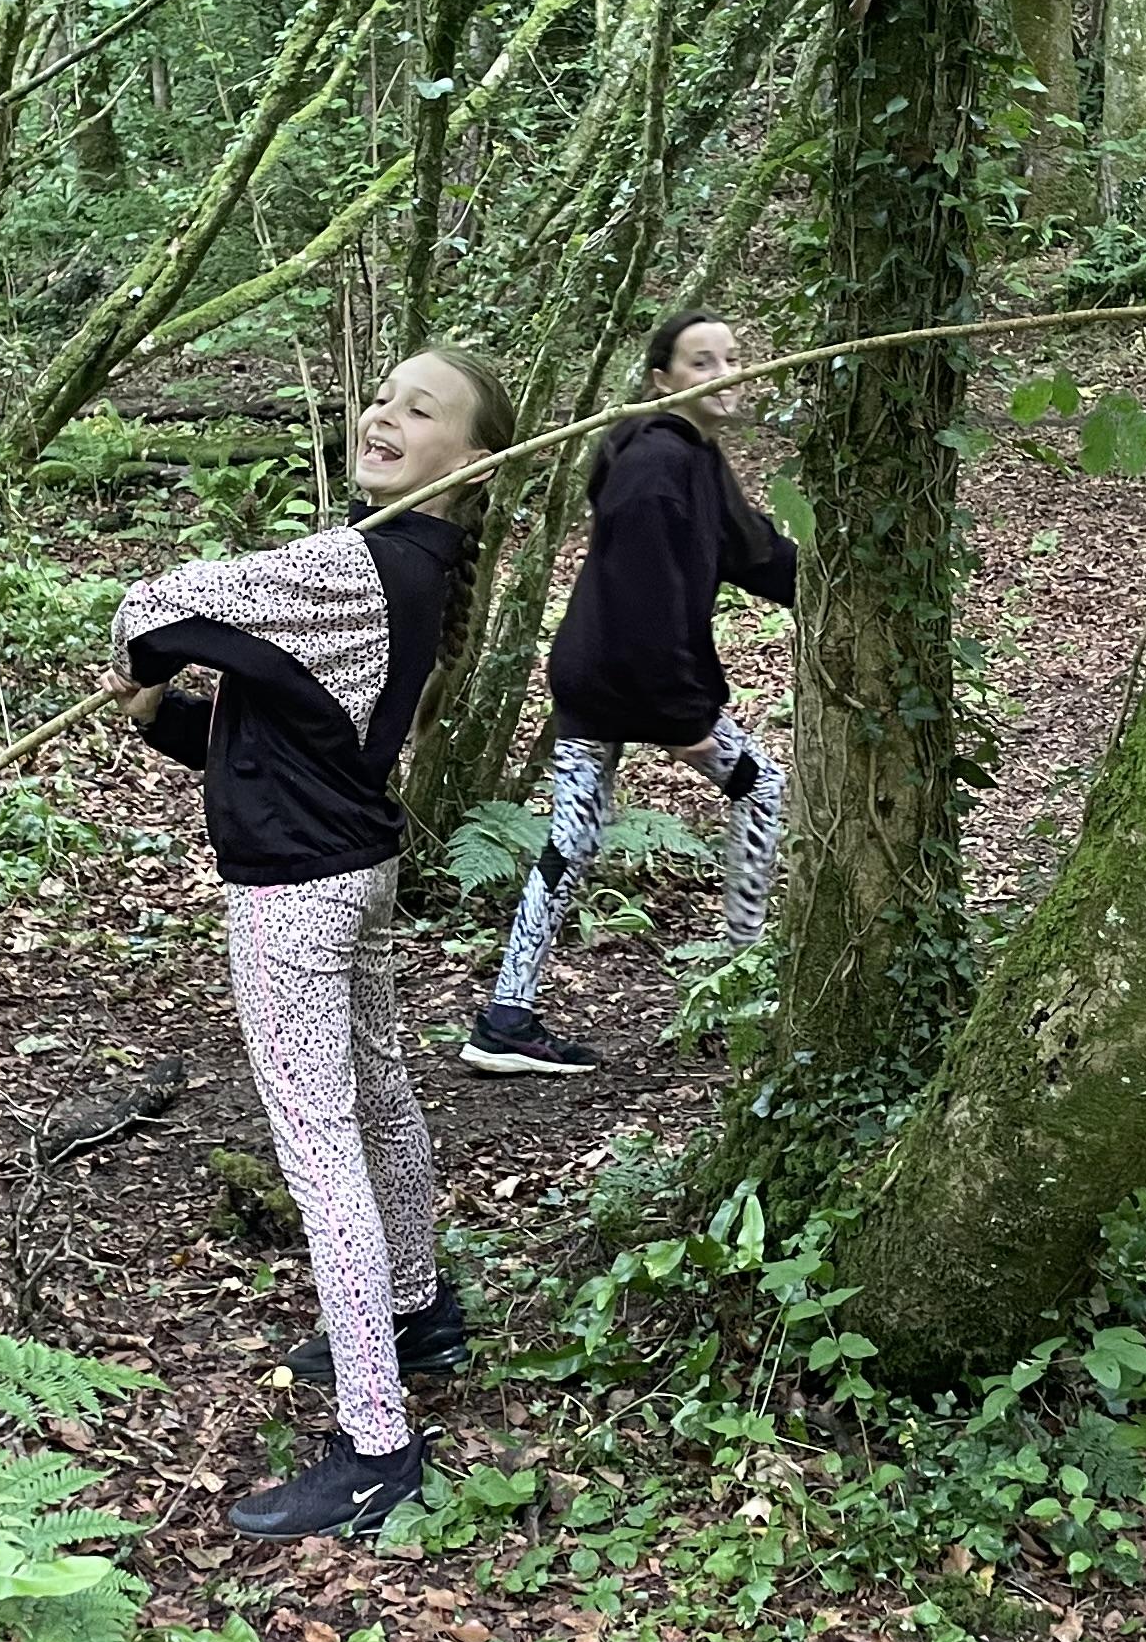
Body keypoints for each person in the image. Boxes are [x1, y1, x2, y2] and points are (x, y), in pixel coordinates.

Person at [109, 346, 514, 1539]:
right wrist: (161, 711)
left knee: (321, 1142)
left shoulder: (357, 562)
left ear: (474, 461)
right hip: (348, 867)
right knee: (377, 1100)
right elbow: (281, 742)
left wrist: (143, 656)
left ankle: (377, 1443)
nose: (383, 416)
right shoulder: (410, 567)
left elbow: (155, 607)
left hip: (295, 893)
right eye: (381, 397)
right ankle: (414, 1311)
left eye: (420, 410)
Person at [464, 307, 794, 1077]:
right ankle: (742, 990)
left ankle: (506, 1016)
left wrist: (834, 586)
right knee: (762, 789)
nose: (726, 374)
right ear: (661, 380)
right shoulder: (654, 465)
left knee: (572, 841)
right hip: (625, 679)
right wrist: (680, 717)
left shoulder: (694, 455)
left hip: (598, 674)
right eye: (702, 362)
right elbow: (645, 599)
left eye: (732, 358)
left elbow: (749, 549)